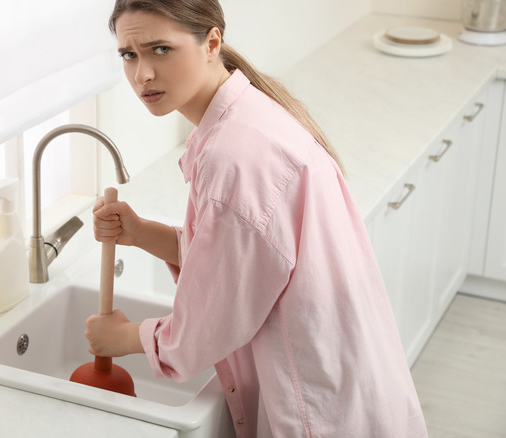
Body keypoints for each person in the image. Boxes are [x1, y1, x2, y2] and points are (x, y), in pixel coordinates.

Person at [84, 1, 429, 437]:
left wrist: (127, 337)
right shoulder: (245, 119)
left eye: (160, 50)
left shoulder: (237, 158)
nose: (142, 74)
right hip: (348, 381)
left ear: (211, 43)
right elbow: (243, 261)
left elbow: (203, 330)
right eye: (129, 54)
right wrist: (140, 233)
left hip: (318, 407)